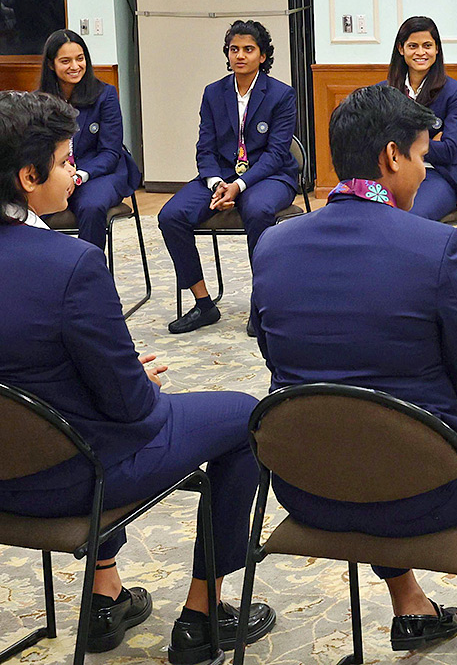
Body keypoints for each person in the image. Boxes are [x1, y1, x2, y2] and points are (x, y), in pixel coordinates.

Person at [250, 85, 457, 665]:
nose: (426, 170)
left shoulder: (273, 244)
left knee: (361, 425)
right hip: (427, 491)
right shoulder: (440, 246)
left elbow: (275, 359)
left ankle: (409, 602)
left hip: (306, 485)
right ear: (391, 156)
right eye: (422, 156)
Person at [0, 91, 275, 664]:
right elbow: (132, 411)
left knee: (80, 407)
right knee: (245, 417)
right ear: (28, 176)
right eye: (65, 161)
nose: (75, 173)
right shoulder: (72, 264)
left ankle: (106, 596)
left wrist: (109, 377)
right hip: (73, 479)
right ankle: (203, 614)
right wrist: (136, 380)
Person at [158, 20, 297, 336]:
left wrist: (239, 186)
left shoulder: (281, 94)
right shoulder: (213, 92)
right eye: (234, 49)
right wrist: (216, 183)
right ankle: (204, 304)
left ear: (263, 55)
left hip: (269, 176)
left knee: (258, 211)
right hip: (220, 176)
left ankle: (261, 304)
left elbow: (276, 154)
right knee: (171, 216)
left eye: (248, 49)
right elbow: (205, 148)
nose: (240, 56)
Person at [36, 29, 142, 248]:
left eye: (80, 58)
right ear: (51, 65)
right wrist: (58, 174)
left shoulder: (105, 95)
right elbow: (36, 149)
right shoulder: (39, 101)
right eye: (66, 61)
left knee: (91, 206)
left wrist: (78, 177)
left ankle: (89, 266)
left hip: (99, 173)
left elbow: (110, 152)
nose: (75, 66)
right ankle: (46, 264)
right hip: (54, 172)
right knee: (26, 205)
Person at [382, 15, 457, 220]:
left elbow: (449, 151)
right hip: (391, 173)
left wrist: (398, 141)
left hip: (437, 174)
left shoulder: (456, 92)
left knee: (409, 219)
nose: (421, 52)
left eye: (427, 45)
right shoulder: (383, 91)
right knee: (365, 214)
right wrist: (426, 142)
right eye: (413, 46)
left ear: (437, 49)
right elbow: (373, 143)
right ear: (401, 49)